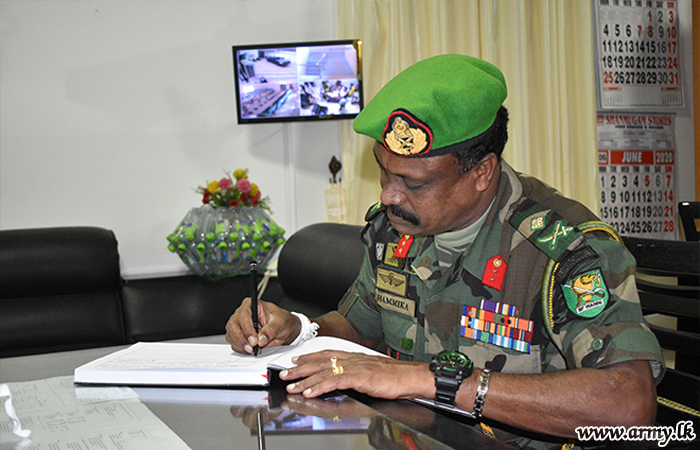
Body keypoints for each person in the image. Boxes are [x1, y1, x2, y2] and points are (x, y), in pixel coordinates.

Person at [226, 54, 664, 446]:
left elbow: (628, 405)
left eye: (414, 183)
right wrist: (299, 329)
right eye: (384, 172)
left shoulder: (563, 250)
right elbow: (361, 327)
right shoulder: (392, 230)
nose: (390, 195)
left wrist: (430, 380)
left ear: (482, 173)